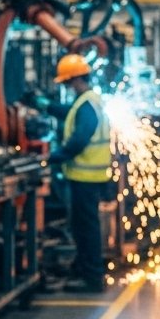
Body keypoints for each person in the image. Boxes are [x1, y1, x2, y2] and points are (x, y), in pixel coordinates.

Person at [48, 53, 112, 293]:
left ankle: (92, 278)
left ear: (75, 80)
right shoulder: (89, 101)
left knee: (86, 229)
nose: (66, 87)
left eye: (66, 82)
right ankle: (83, 269)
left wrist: (54, 157)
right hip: (89, 178)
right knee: (83, 227)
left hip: (85, 178)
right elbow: (69, 113)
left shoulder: (86, 105)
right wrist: (46, 106)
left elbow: (79, 140)